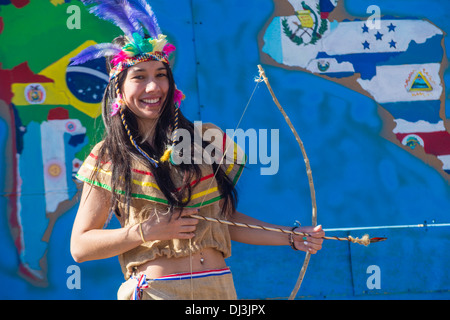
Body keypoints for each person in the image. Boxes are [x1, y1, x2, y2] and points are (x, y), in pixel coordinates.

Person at [70, 0, 324, 300]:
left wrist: (291, 237)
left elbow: (225, 220)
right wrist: (144, 231)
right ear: (119, 91)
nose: (153, 88)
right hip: (158, 292)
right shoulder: (110, 156)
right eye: (139, 77)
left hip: (218, 289)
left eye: (160, 75)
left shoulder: (204, 140)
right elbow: (81, 246)